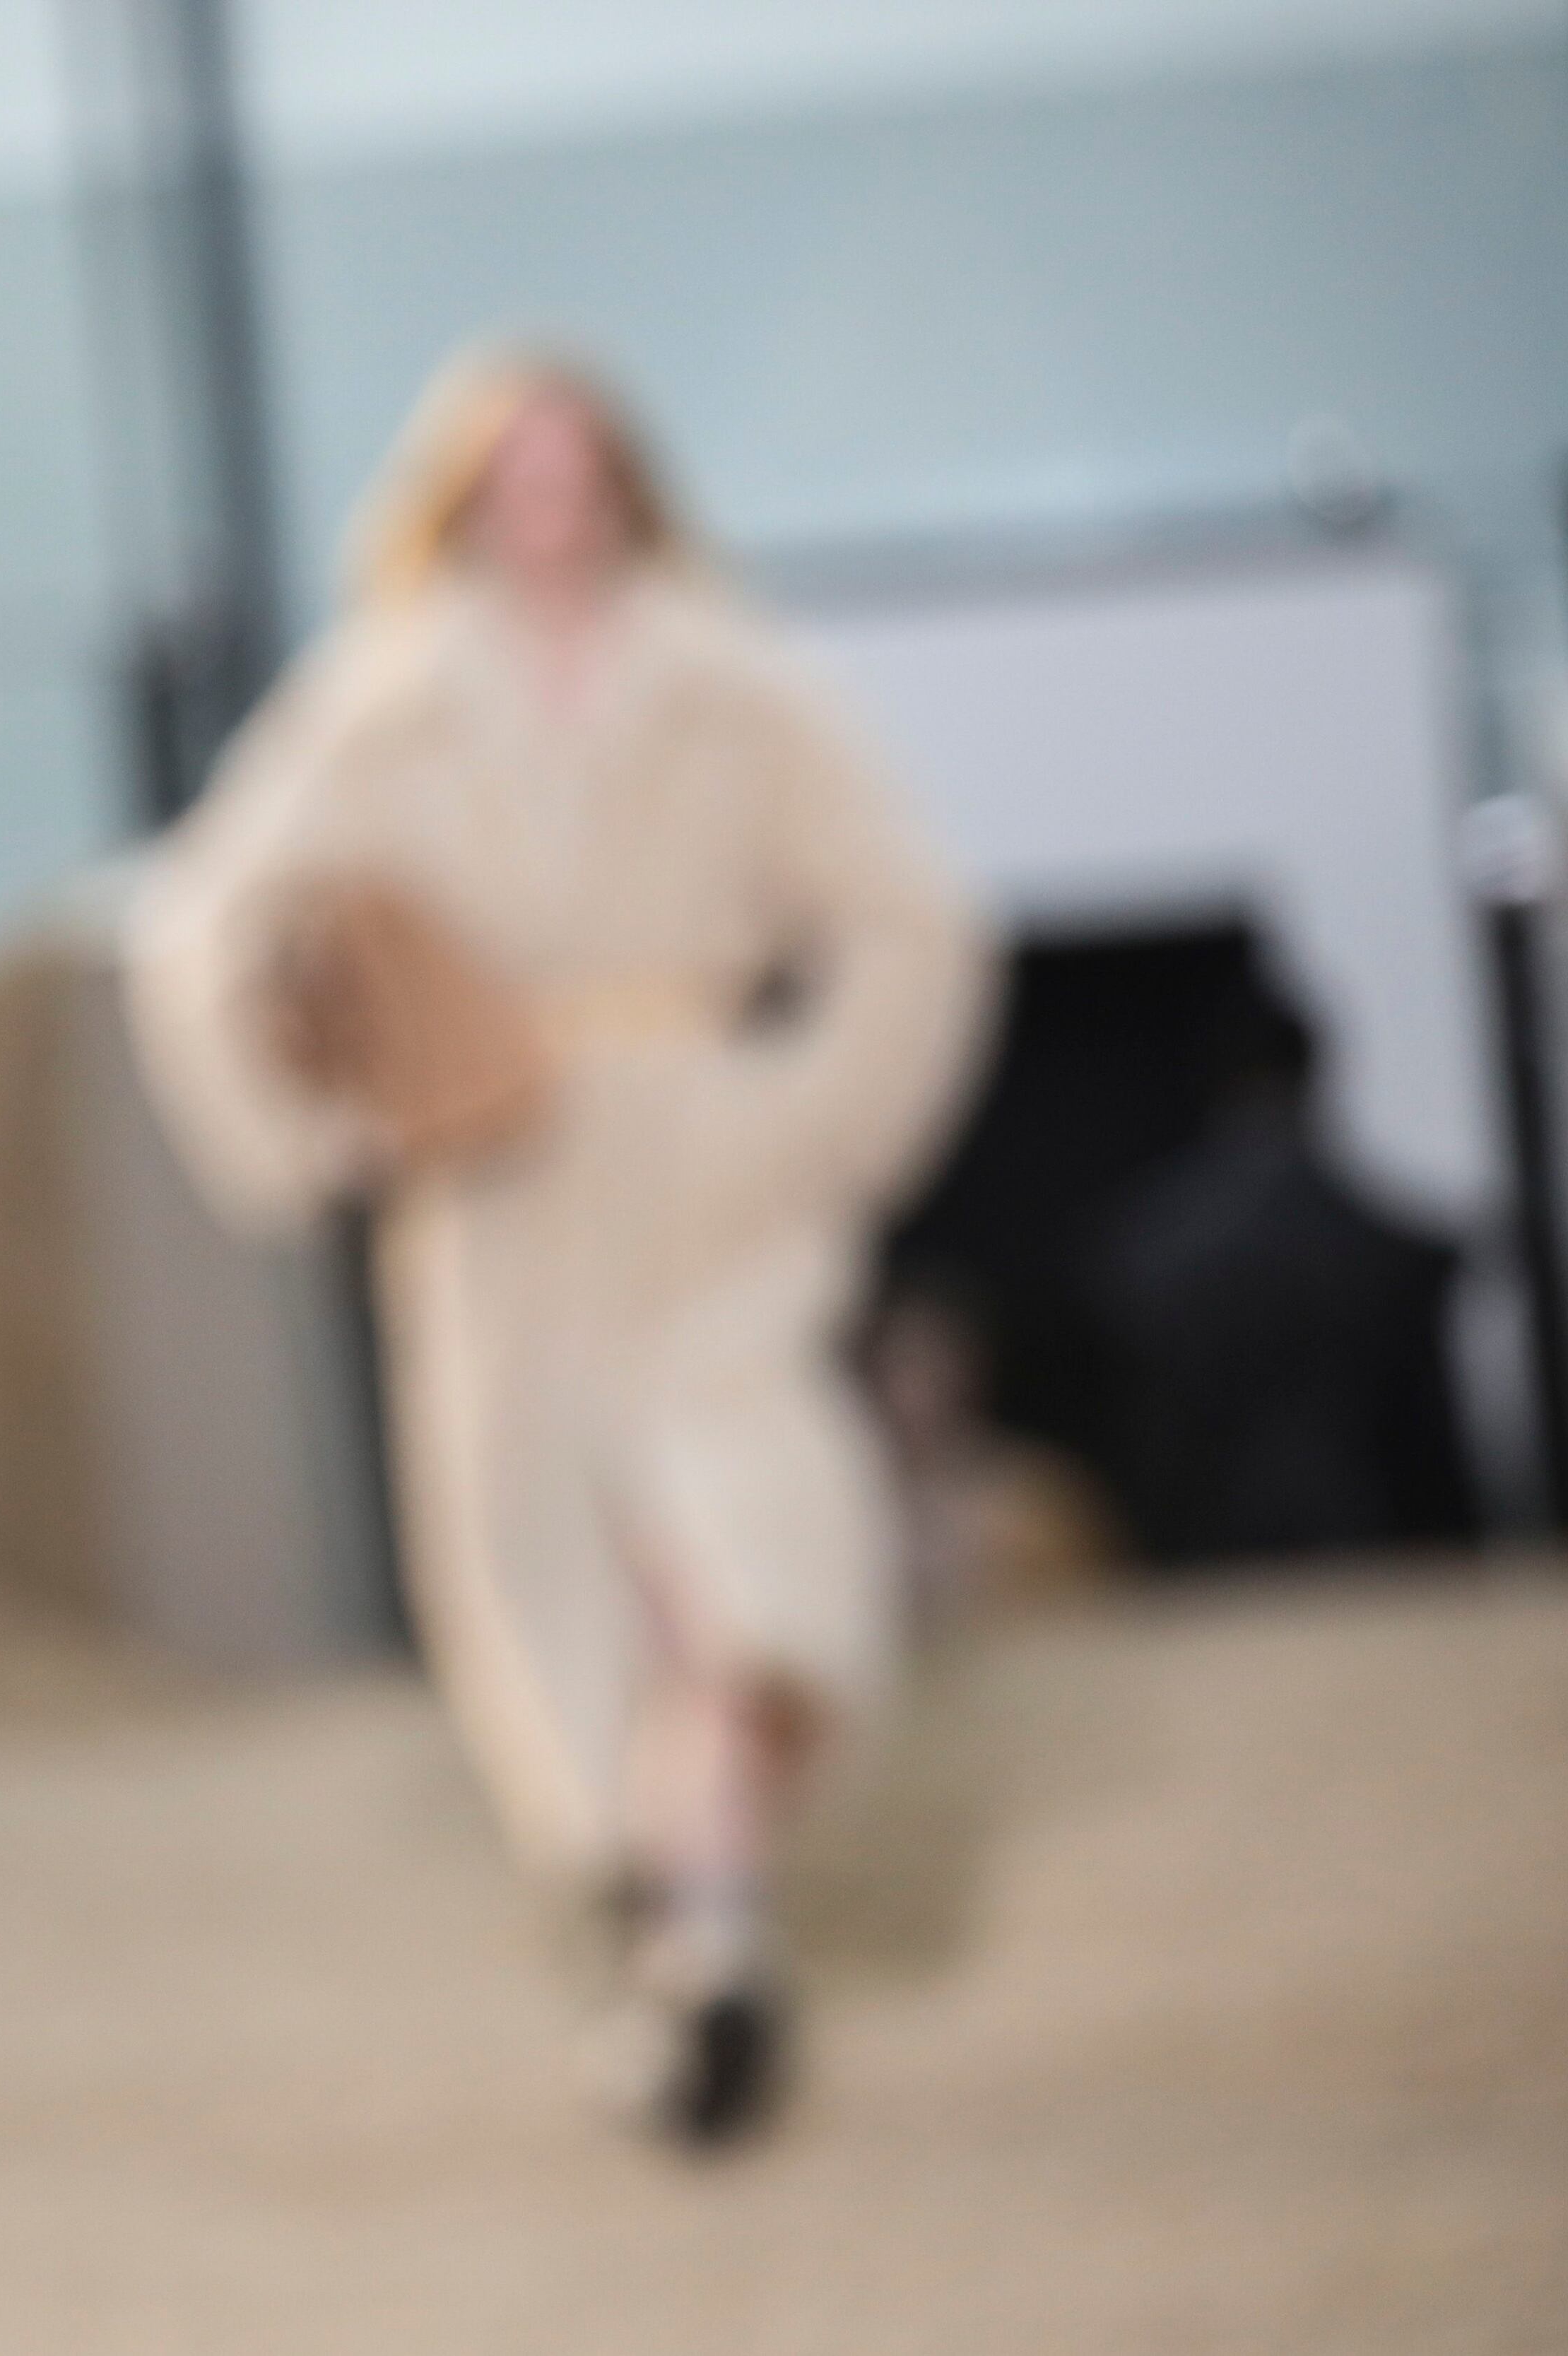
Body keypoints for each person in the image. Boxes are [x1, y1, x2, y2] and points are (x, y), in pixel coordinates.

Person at [127, 348, 991, 2143]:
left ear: (622, 484)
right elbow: (199, 916)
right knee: (558, 1593)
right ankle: (684, 1957)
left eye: (575, 467)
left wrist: (811, 1118)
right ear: (461, 499)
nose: (548, 505)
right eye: (511, 474)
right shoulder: (387, 698)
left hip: (704, 1173)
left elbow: (914, 917)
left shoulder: (734, 684)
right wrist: (316, 1136)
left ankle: (718, 1941)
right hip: (496, 1193)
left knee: (748, 1574)